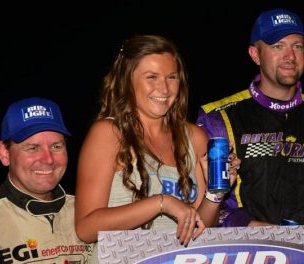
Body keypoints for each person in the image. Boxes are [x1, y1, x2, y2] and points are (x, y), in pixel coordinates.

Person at [74, 35, 240, 247]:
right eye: (151, 77)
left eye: (171, 77)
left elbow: (201, 230)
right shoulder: (109, 133)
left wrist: (215, 193)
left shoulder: (194, 137)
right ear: (128, 80)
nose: (164, 89)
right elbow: (86, 228)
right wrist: (162, 203)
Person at [196, 8, 304, 227]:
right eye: (278, 46)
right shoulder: (217, 118)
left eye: (297, 46)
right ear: (255, 54)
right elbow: (201, 201)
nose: (290, 56)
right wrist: (247, 226)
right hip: (241, 250)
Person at [0, 97, 92, 263]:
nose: (48, 159)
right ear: (4, 153)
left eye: (56, 146)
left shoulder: (87, 211)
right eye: (33, 148)